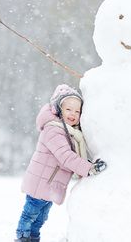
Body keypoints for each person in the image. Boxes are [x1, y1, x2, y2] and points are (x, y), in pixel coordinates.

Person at [15, 84, 107, 242]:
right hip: (41, 183)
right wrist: (89, 168)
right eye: (68, 109)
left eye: (77, 111)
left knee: (40, 218)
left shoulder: (69, 131)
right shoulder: (53, 130)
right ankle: (22, 238)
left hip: (49, 184)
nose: (73, 114)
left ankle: (33, 238)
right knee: (30, 215)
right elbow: (66, 156)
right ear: (58, 109)